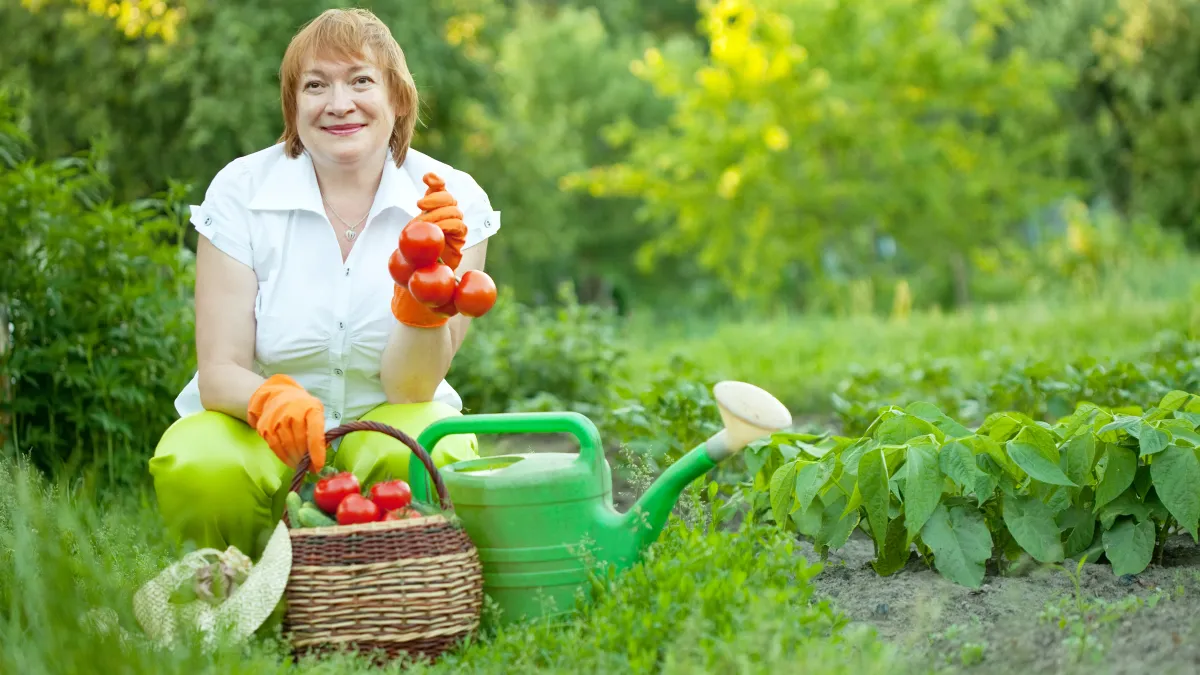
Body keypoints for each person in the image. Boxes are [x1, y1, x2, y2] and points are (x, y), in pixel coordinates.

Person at [148, 8, 501, 560]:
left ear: (398, 99)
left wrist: (422, 295)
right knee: (200, 460)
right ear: (294, 107)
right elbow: (219, 371)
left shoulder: (449, 201)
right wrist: (269, 397)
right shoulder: (241, 191)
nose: (339, 103)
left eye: (361, 80)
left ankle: (394, 582)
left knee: (438, 443)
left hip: (385, 420)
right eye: (316, 85)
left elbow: (412, 390)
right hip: (258, 430)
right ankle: (235, 584)